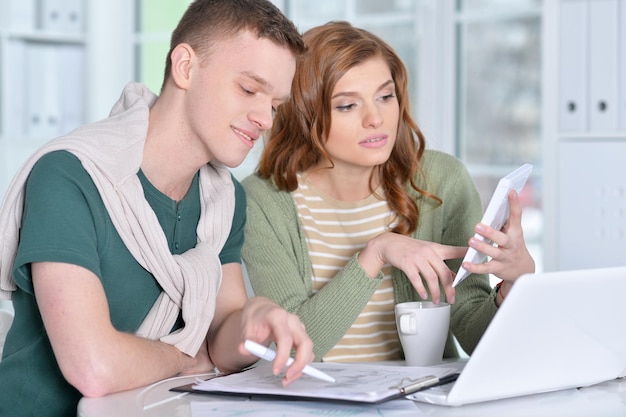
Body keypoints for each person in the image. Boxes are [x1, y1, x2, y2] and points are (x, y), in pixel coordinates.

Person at [0, 1, 312, 416]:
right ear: (184, 67)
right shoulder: (71, 176)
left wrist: (259, 317)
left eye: (275, 104)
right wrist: (190, 358)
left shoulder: (225, 200)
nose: (266, 119)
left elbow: (222, 338)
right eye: (249, 89)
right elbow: (93, 367)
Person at [241, 21, 535, 363]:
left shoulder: (443, 182)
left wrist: (517, 284)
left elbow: (472, 328)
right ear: (304, 113)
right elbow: (292, 348)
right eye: (347, 105)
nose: (375, 118)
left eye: (385, 96)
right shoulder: (261, 201)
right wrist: (375, 255)